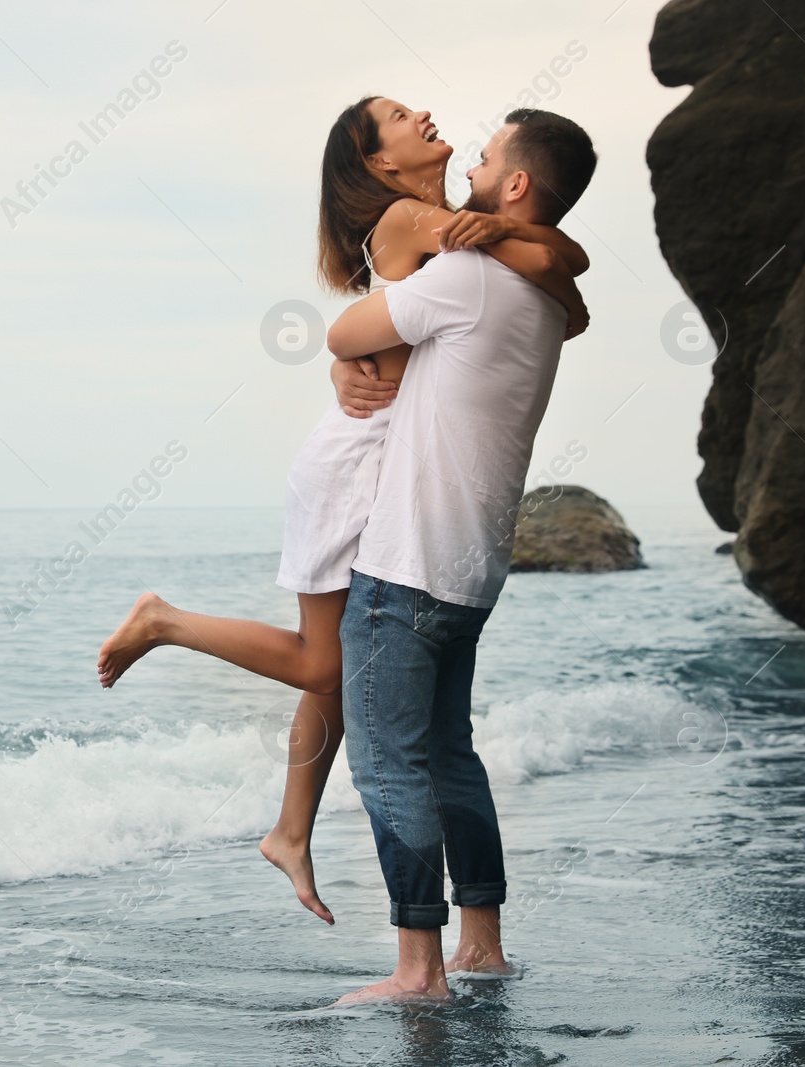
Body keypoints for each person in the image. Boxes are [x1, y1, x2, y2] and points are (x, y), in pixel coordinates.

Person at [95, 97, 590, 926]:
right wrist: (505, 241)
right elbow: (562, 272)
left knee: (337, 671)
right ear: (381, 164)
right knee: (329, 669)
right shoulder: (410, 217)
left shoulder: (456, 228)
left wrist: (503, 234)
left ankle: (291, 829)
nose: (427, 113)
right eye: (399, 116)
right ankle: (165, 622)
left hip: (385, 461)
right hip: (355, 465)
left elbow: (565, 285)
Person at [323, 108, 599, 1003]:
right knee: (449, 755)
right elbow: (571, 278)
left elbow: (344, 333)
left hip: (406, 561)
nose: (474, 163)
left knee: (387, 764)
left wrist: (342, 364)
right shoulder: (544, 301)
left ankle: (418, 970)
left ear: (516, 185)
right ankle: (482, 943)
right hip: (473, 569)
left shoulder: (469, 274)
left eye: (487, 158)